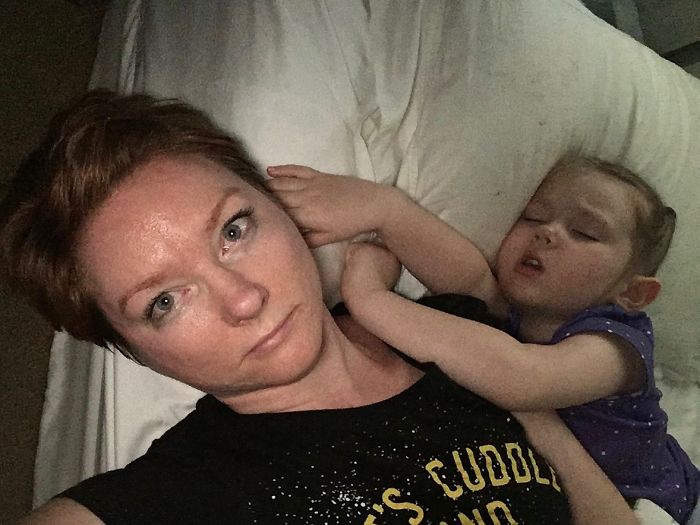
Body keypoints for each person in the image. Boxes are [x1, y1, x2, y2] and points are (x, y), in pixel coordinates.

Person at [1, 90, 638, 525]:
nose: (244, 298)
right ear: (131, 348)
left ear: (281, 211)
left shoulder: (448, 333)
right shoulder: (197, 487)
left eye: (233, 230)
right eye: (163, 301)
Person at [266, 159, 700, 524]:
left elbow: (522, 377)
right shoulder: (520, 314)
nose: (547, 232)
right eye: (533, 216)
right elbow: (469, 278)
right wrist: (387, 212)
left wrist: (371, 300)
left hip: (651, 505)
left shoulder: (617, 343)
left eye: (584, 232)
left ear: (632, 293)